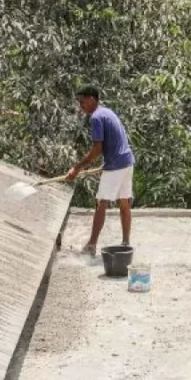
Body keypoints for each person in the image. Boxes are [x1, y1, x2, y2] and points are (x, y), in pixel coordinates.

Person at [66, 85, 136, 256]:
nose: (81, 106)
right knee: (124, 203)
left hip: (116, 166)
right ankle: (126, 241)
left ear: (92, 99)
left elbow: (97, 149)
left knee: (100, 203)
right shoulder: (107, 112)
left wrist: (76, 168)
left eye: (83, 102)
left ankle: (91, 245)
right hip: (127, 161)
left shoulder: (96, 117)